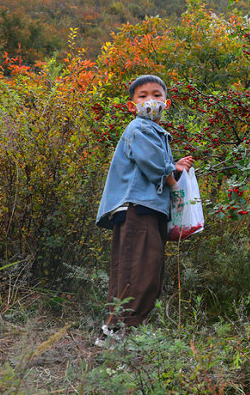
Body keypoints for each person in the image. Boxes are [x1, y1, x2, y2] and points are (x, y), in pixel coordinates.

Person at [94, 74, 194, 345]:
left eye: (157, 95)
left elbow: (157, 163)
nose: (151, 100)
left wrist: (175, 167)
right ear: (132, 105)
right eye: (143, 96)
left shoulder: (154, 131)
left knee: (145, 271)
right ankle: (117, 333)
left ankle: (118, 333)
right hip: (138, 209)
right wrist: (174, 181)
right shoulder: (139, 127)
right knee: (137, 272)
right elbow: (153, 165)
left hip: (149, 209)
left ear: (166, 102)